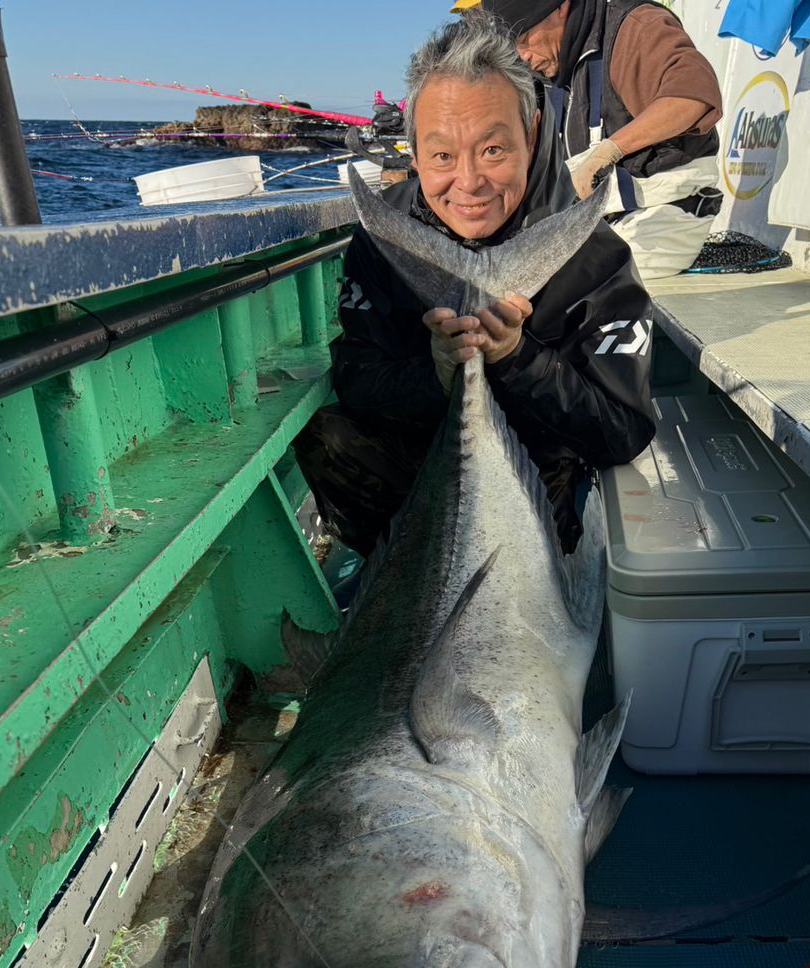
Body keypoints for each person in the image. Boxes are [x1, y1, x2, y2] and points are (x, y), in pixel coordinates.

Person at [295, 17, 654, 559]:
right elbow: (356, 379)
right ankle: (397, 568)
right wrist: (437, 375)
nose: (468, 183)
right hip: (416, 456)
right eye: (442, 156)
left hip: (538, 471)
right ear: (414, 153)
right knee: (328, 437)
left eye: (492, 151)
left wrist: (518, 359)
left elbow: (624, 429)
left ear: (532, 134)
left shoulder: (592, 255)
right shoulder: (385, 238)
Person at [481, 0, 724, 280]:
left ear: (561, 8)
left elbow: (694, 96)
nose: (522, 55)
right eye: (514, 46)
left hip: (665, 219)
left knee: (574, 283)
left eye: (524, 38)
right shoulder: (548, 66)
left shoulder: (635, 28)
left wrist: (611, 150)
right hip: (597, 223)